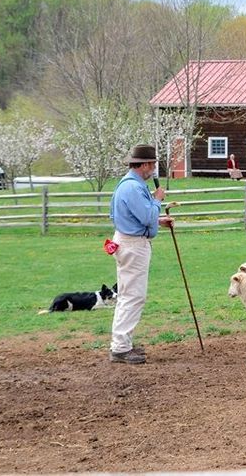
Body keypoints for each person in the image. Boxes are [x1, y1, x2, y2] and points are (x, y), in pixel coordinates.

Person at [108, 144, 173, 365]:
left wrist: (158, 220)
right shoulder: (134, 188)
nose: (153, 169)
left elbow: (136, 216)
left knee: (130, 294)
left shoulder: (129, 185)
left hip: (128, 241)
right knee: (133, 295)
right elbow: (145, 216)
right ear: (144, 164)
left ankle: (123, 344)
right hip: (133, 245)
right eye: (153, 164)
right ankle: (120, 348)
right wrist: (158, 200)